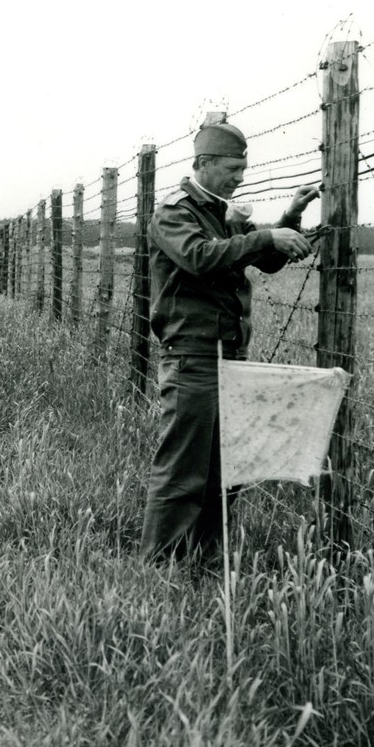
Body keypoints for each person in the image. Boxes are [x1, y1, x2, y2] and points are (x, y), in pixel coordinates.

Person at [140, 119, 320, 564]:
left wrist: (289, 220)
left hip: (229, 357)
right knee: (184, 471)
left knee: (226, 468)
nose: (240, 178)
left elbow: (259, 258)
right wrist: (263, 235)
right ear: (202, 164)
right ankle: (159, 567)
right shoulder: (175, 212)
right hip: (193, 359)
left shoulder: (219, 212)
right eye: (232, 169)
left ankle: (200, 559)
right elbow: (201, 258)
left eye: (243, 168)